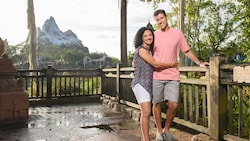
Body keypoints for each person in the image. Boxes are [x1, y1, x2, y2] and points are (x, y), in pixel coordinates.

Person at [152, 9, 209, 141]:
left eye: (161, 18)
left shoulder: (177, 34)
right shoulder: (154, 35)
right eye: (157, 20)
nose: (160, 21)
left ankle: (166, 130)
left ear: (166, 18)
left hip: (172, 75)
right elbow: (145, 50)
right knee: (157, 104)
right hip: (157, 75)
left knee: (173, 105)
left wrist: (199, 63)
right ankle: (159, 132)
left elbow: (187, 50)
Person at [131, 27, 178, 141]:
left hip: (149, 84)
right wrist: (172, 64)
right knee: (146, 112)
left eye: (150, 35)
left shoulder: (149, 51)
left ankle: (146, 138)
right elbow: (155, 64)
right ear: (141, 38)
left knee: (147, 112)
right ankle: (146, 139)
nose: (148, 37)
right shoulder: (142, 50)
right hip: (140, 84)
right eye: (145, 36)